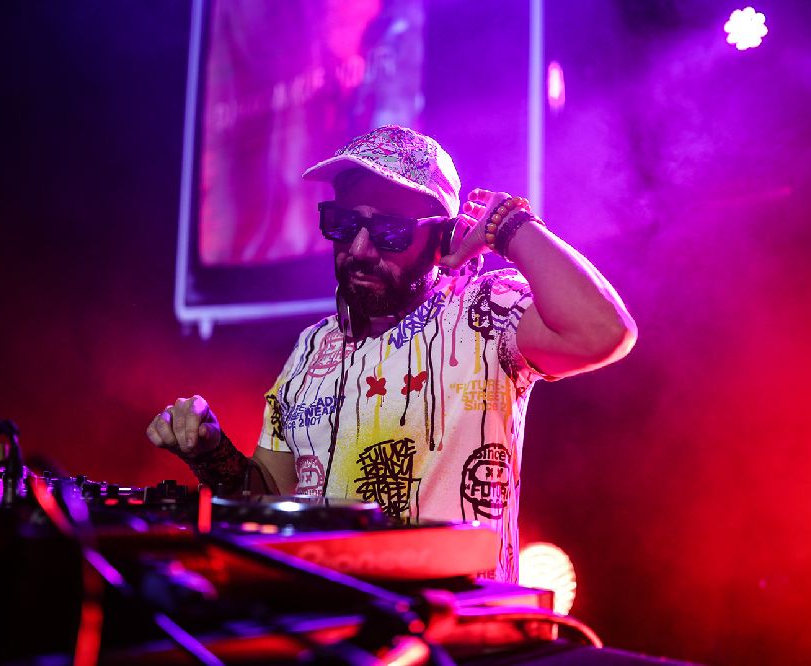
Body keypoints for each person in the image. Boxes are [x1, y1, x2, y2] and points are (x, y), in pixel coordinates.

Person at [146, 125, 636, 581]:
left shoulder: (485, 311)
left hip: (450, 629)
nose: (359, 249)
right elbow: (270, 498)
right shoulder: (310, 347)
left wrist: (509, 225)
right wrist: (211, 454)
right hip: (336, 628)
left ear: (442, 237)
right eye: (342, 224)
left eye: (390, 231)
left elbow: (603, 332)